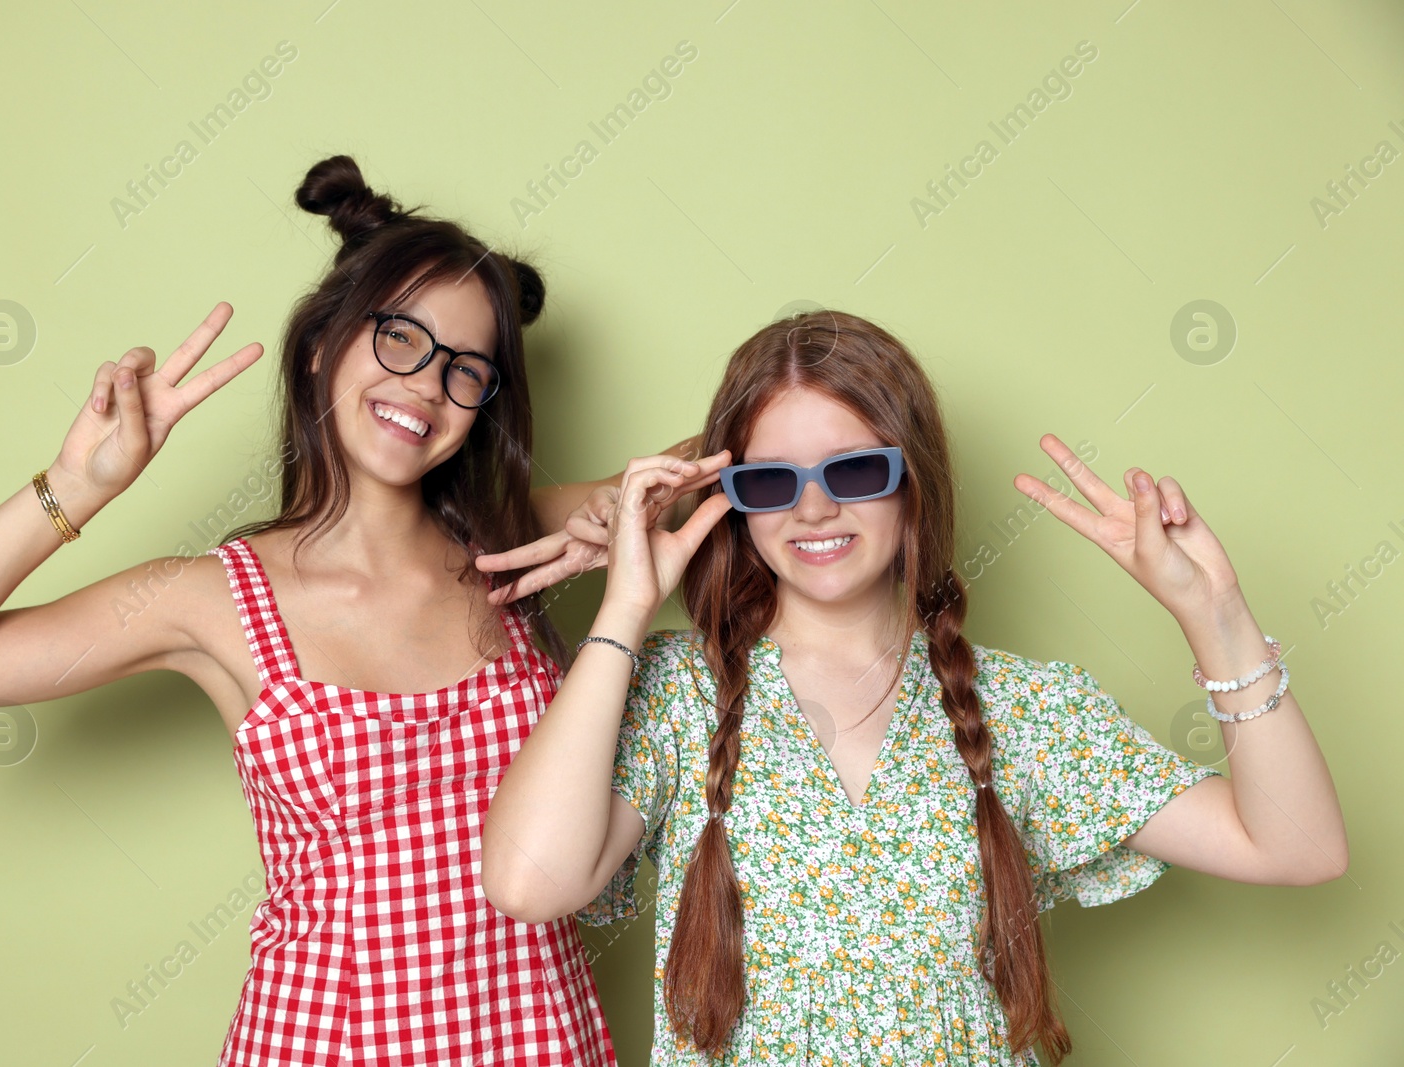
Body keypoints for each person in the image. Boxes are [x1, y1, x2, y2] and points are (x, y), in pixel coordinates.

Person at [0, 154, 687, 1066]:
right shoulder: (209, 600)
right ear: (323, 343)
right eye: (400, 339)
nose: (427, 386)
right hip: (327, 1038)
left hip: (540, 1038)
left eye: (467, 369)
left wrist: (624, 512)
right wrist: (75, 489)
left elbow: (759, 458)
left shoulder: (515, 547)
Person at [478, 309, 1348, 1064]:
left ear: (912, 483)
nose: (813, 509)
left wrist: (1215, 611)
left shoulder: (1027, 710)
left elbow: (1299, 846)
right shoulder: (675, 693)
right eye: (773, 480)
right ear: (734, 500)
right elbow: (528, 882)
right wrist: (626, 609)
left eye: (855, 471)